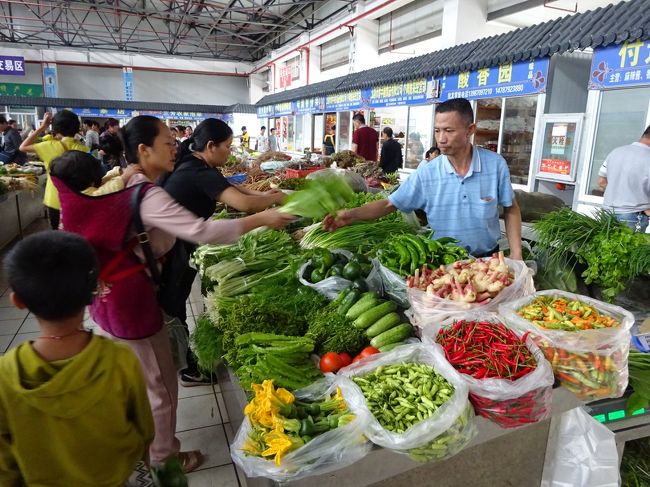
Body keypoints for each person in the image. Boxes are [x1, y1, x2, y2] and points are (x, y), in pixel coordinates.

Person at [53, 115, 295, 472]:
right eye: (167, 142)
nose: (176, 146)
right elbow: (201, 231)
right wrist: (262, 219)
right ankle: (164, 459)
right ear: (143, 149)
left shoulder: (126, 180)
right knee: (161, 388)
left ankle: (142, 441)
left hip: (111, 296)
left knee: (143, 380)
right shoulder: (146, 193)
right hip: (132, 301)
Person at [0, 231, 154, 486]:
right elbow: (144, 431)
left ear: (18, 301)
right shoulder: (119, 360)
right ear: (91, 292)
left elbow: (4, 467)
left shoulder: (6, 375)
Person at [162, 118, 286, 385]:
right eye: (228, 147)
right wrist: (268, 211)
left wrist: (273, 196)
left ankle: (186, 363)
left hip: (176, 242)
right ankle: (189, 367)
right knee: (174, 308)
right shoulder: (199, 172)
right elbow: (242, 203)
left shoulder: (196, 164)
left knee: (176, 305)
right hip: (172, 250)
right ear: (210, 145)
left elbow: (239, 189)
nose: (230, 152)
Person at [324, 98, 522, 259]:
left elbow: (511, 208)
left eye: (449, 130)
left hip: (488, 260)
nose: (441, 139)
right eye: (437, 130)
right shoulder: (427, 173)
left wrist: (516, 253)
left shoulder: (495, 165)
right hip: (443, 261)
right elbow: (388, 204)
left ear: (470, 130)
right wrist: (351, 215)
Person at [19, 110, 89, 230]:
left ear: (55, 127)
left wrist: (42, 127)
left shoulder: (49, 145)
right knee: (76, 232)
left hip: (55, 198)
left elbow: (22, 147)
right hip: (77, 198)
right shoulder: (84, 149)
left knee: (57, 233)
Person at [598, 125, 650, 233]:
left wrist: (622, 195)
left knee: (605, 248)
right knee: (628, 249)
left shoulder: (616, 152)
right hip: (633, 218)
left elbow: (601, 181)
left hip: (607, 213)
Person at [51, 150, 140, 196]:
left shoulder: (76, 188)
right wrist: (125, 177)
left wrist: (118, 171)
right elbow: (105, 190)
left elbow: (102, 182)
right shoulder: (86, 197)